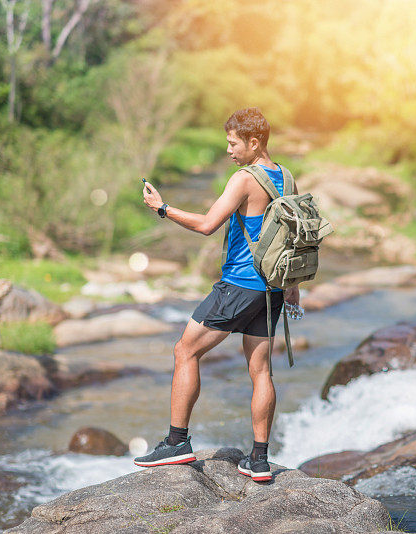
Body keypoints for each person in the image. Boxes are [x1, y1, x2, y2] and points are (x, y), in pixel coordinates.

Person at [134, 107, 299, 482]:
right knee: (260, 371)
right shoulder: (286, 177)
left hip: (240, 285)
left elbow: (208, 225)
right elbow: (292, 235)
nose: (228, 150)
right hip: (272, 289)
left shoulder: (244, 179)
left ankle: (177, 443)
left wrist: (163, 208)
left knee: (185, 350)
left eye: (232, 143)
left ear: (253, 143)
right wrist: (293, 289)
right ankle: (259, 460)